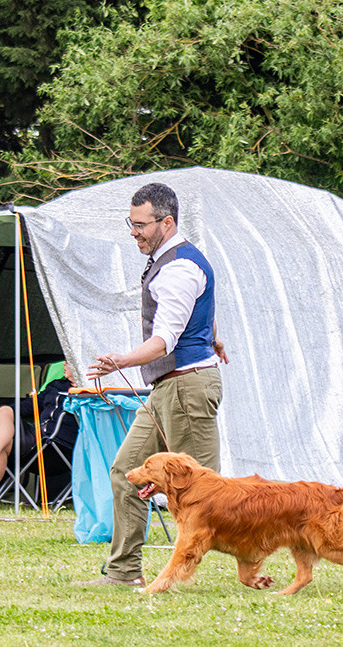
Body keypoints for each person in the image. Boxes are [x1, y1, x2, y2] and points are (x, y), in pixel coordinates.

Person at [81, 182, 228, 588]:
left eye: (140, 225)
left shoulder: (179, 267)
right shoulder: (172, 260)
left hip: (188, 389)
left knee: (205, 495)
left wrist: (120, 361)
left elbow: (165, 339)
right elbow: (201, 312)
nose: (133, 232)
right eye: (130, 223)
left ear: (166, 222)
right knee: (126, 472)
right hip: (169, 388)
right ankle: (123, 573)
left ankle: (252, 560)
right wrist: (214, 339)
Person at [0, 362, 78, 510]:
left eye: (68, 360)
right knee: (5, 411)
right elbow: (29, 406)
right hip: (36, 441)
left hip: (60, 448)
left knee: (1, 444)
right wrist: (1, 416)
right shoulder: (56, 385)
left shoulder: (93, 392)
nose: (64, 363)